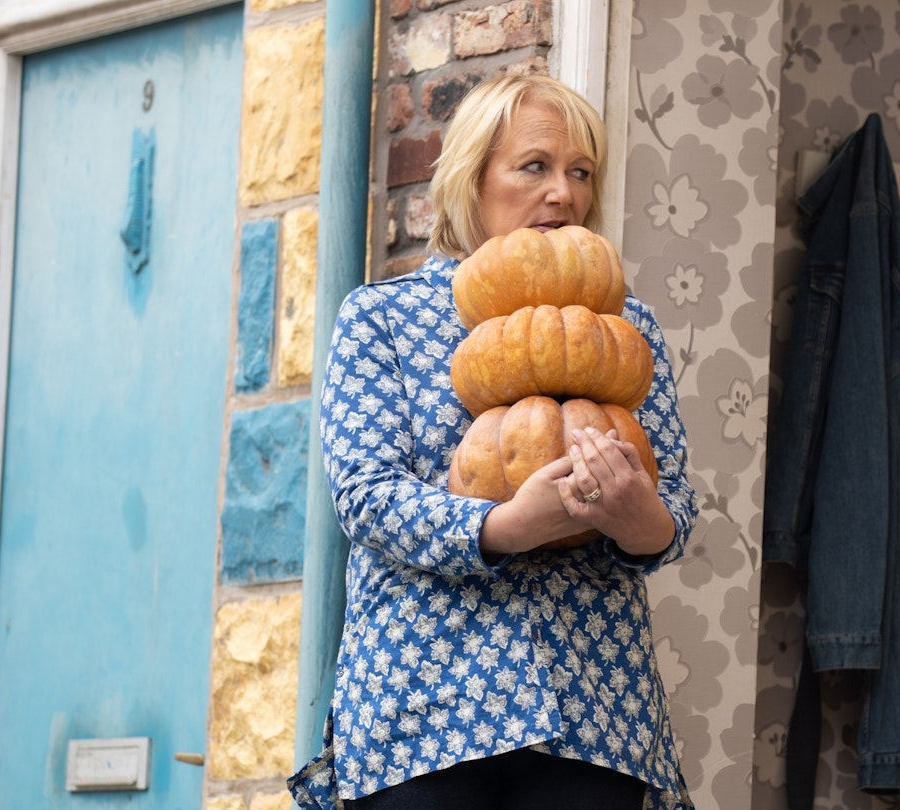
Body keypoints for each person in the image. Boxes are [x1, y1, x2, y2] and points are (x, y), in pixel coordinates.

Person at [287, 74, 699, 810]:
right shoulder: (383, 316)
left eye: (581, 173)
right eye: (534, 167)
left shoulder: (623, 328)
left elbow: (674, 513)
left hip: (591, 707)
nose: (564, 194)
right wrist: (506, 527)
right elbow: (366, 496)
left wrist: (641, 520)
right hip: (424, 704)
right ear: (471, 179)